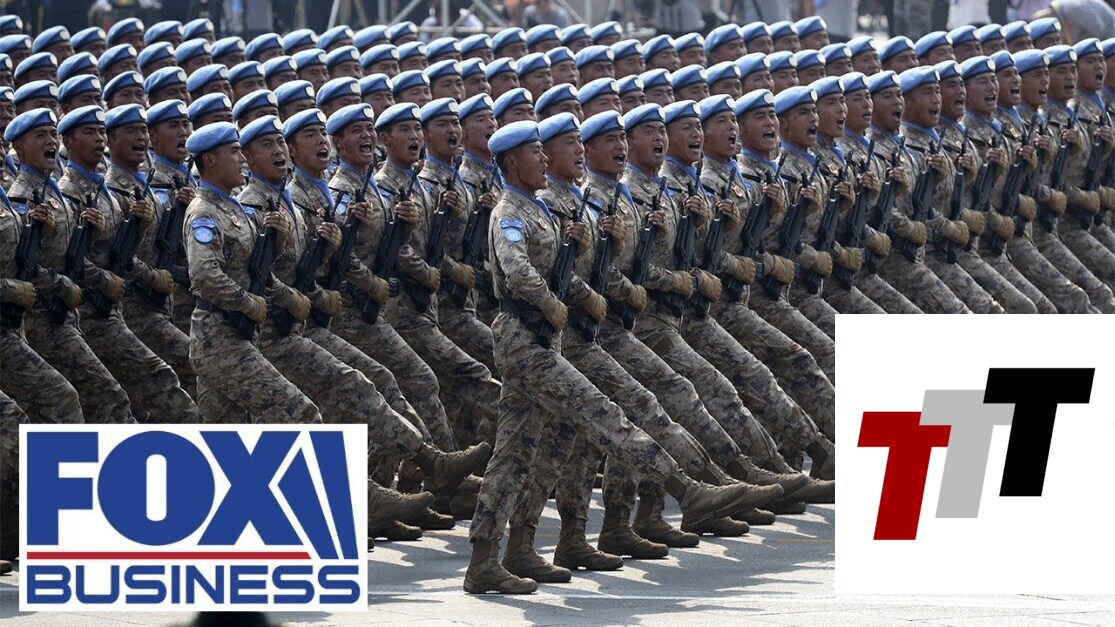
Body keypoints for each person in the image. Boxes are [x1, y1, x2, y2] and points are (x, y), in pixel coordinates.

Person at [465, 119, 780, 595]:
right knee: (603, 414)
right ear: (512, 162)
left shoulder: (539, 209)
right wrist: (551, 303)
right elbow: (517, 271)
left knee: (525, 451)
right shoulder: (508, 212)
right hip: (524, 340)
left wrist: (581, 293)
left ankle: (500, 554)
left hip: (544, 338)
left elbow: (557, 270)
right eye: (536, 152)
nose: (544, 159)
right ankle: (686, 489)